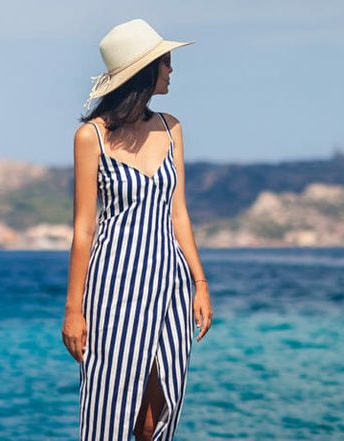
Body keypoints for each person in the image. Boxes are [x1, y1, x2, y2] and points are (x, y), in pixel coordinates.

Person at [61, 19, 212, 441]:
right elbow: (83, 228)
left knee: (159, 410)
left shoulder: (171, 126)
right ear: (143, 71)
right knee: (110, 408)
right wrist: (74, 311)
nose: (171, 69)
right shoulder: (90, 137)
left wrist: (200, 282)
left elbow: (178, 212)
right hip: (114, 288)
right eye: (165, 61)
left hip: (171, 285)